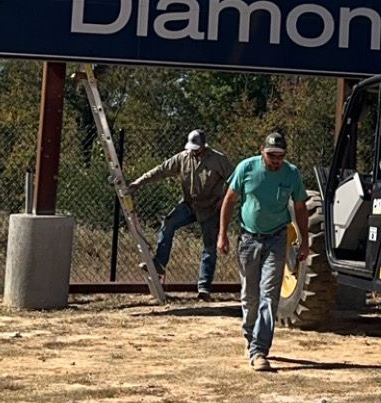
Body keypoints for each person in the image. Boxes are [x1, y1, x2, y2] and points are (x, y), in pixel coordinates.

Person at [218, 130, 309, 373]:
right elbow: (229, 200)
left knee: (269, 296)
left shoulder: (291, 174)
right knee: (250, 295)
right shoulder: (246, 169)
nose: (276, 160)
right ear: (262, 152)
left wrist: (305, 240)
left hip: (277, 239)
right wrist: (222, 234)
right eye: (271, 155)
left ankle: (259, 349)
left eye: (280, 155)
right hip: (249, 239)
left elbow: (300, 208)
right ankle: (250, 337)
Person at [129, 129, 232, 297]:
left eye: (197, 148)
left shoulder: (218, 160)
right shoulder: (182, 158)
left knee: (209, 247)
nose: (194, 151)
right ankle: (159, 263)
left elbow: (234, 179)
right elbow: (161, 170)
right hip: (189, 205)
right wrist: (139, 182)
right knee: (168, 223)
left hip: (211, 209)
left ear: (204, 146)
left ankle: (204, 288)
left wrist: (224, 200)